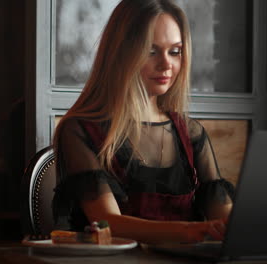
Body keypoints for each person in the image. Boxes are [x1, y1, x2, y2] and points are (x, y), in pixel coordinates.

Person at [52, 0, 234, 245]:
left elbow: (226, 221)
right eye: (151, 51)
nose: (166, 64)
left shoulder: (192, 134)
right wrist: (189, 231)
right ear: (121, 52)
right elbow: (108, 223)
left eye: (175, 51)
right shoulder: (80, 130)